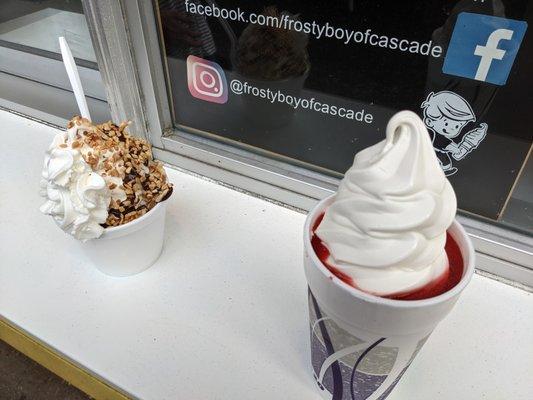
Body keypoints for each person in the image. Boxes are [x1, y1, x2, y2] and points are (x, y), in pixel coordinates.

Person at [421, 91, 487, 176]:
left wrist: (472, 140)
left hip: (435, 160)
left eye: (457, 126)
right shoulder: (433, 135)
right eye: (446, 124)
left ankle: (442, 169)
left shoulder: (439, 138)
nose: (452, 128)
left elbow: (457, 153)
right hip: (427, 156)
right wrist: (462, 147)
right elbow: (452, 148)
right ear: (429, 122)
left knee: (444, 160)